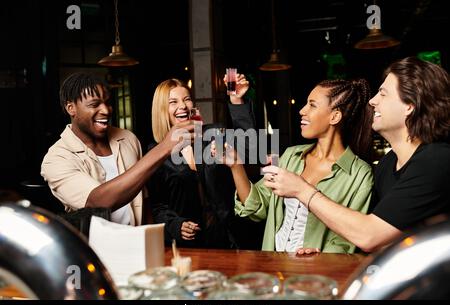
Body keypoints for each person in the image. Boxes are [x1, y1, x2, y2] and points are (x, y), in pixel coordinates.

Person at [264, 56, 450, 253]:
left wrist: (302, 190)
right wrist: (325, 254)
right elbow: (384, 237)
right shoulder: (388, 164)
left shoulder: (437, 160)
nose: (373, 101)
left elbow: (369, 235)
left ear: (409, 105)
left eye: (383, 94)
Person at [223, 78, 375, 254]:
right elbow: (256, 207)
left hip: (318, 275)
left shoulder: (360, 174)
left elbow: (348, 240)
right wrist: (236, 166)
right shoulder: (290, 156)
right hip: (273, 265)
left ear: (335, 116)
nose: (302, 111)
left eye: (312, 105)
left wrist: (321, 257)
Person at [41, 72, 194, 226]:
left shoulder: (128, 139)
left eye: (107, 103)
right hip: (97, 248)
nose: (106, 111)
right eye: (94, 105)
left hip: (137, 243)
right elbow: (97, 203)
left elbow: (145, 201)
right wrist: (164, 147)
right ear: (71, 108)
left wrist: (154, 242)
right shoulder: (56, 158)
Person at [148, 74, 256, 248]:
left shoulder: (213, 133)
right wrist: (175, 225)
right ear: (161, 110)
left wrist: (236, 101)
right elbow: (158, 206)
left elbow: (249, 148)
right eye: (173, 102)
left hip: (230, 238)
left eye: (187, 99)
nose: (183, 106)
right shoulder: (155, 152)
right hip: (190, 246)